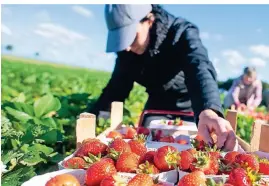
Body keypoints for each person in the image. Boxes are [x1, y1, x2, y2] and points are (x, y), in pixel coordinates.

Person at [88, 4, 236, 150]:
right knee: (147, 145)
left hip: (191, 102)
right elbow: (117, 87)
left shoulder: (181, 32)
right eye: (121, 40)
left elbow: (199, 67)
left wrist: (208, 109)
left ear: (149, 20)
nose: (126, 47)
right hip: (156, 103)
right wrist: (94, 118)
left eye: (131, 37)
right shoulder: (128, 51)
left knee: (194, 146)